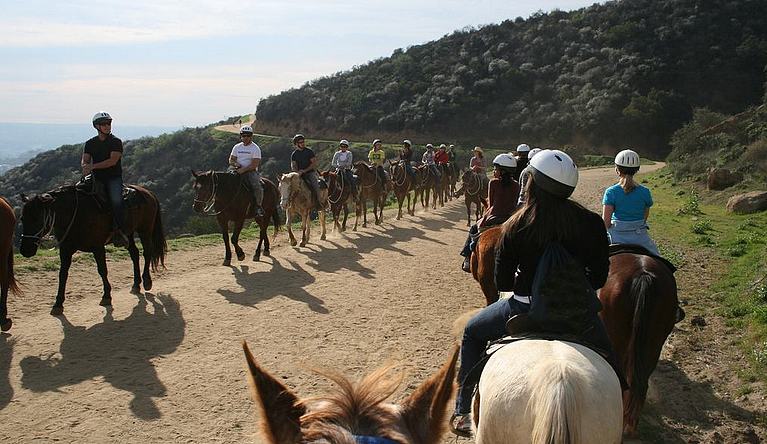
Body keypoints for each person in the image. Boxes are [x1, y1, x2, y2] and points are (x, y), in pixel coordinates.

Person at [451, 149, 613, 436]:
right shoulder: (591, 223)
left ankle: (462, 411)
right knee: (612, 359)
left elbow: (502, 282)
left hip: (524, 308)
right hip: (579, 312)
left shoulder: (516, 224)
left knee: (472, 333)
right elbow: (599, 276)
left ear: (533, 183)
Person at [459, 153, 520, 272]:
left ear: (502, 171)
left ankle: (467, 257)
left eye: (496, 169)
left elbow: (491, 205)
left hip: (494, 217)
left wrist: (483, 218)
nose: (494, 171)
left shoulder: (493, 182)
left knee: (473, 229)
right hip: (510, 219)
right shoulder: (516, 185)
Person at [81, 111, 128, 247]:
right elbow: (85, 159)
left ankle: (120, 231)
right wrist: (84, 166)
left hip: (113, 178)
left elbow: (112, 161)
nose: (107, 126)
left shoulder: (115, 142)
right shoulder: (90, 143)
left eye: (109, 123)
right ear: (97, 126)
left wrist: (92, 166)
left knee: (116, 200)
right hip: (96, 178)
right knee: (79, 194)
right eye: (104, 124)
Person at [602, 149, 659, 255]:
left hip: (616, 236)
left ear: (617, 170)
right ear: (636, 170)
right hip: (640, 236)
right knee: (660, 260)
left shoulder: (611, 192)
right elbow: (644, 217)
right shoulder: (645, 192)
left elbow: (606, 223)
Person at [229, 125, 264, 217]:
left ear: (251, 136)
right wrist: (236, 165)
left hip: (250, 171)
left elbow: (254, 164)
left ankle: (258, 207)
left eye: (248, 136)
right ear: (241, 136)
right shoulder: (237, 147)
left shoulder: (255, 148)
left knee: (257, 186)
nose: (246, 138)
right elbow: (231, 160)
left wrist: (243, 170)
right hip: (236, 169)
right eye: (244, 135)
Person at [290, 134, 322, 208]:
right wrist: (296, 172)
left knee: (315, 186)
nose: (303, 143)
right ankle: (290, 203)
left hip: (309, 173)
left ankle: (319, 203)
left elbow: (313, 163)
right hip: (299, 174)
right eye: (300, 142)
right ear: (296, 144)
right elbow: (293, 165)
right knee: (289, 186)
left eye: (303, 142)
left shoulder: (309, 151)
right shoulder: (294, 154)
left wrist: (304, 170)